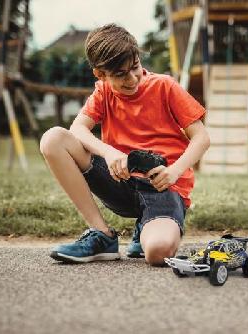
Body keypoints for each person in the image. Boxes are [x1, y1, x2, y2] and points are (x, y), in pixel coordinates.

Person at [39, 23, 210, 266]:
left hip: (162, 187)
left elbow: (202, 138)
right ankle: (102, 235)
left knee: (158, 253)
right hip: (121, 181)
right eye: (120, 74)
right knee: (53, 139)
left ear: (139, 59)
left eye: (135, 68)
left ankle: (147, 227)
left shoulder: (165, 86)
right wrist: (109, 152)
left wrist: (174, 171)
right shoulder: (103, 92)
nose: (132, 79)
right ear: (100, 74)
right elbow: (77, 128)